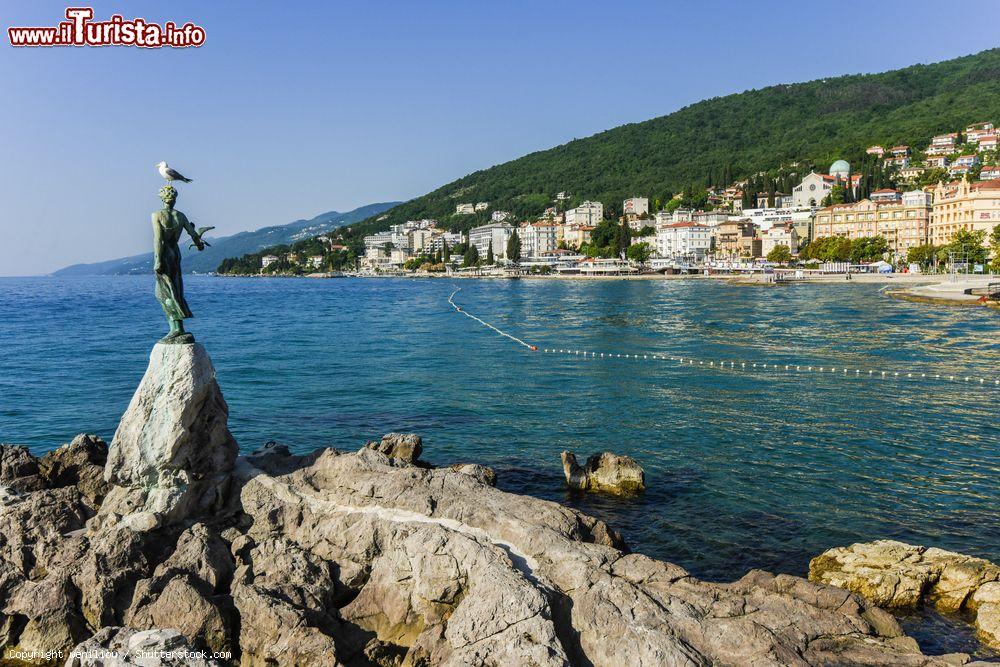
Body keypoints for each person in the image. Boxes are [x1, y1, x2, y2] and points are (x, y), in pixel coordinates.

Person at [152, 185, 206, 342]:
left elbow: (159, 239)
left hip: (165, 254)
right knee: (175, 288)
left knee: (163, 293)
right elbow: (194, 235)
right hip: (176, 254)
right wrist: (200, 244)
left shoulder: (157, 215)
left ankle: (176, 329)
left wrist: (158, 260)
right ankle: (178, 327)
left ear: (162, 198)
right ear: (174, 199)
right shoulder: (180, 216)